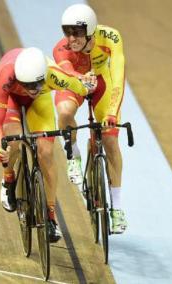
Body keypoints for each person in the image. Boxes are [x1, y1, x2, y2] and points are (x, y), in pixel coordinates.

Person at [0, 47, 94, 242]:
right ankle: (8, 178)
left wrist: (89, 83)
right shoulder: (6, 77)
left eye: (38, 84)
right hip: (11, 100)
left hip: (40, 105)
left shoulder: (52, 75)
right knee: (14, 140)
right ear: (19, 78)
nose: (33, 90)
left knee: (45, 153)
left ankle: (50, 217)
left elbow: (81, 87)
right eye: (28, 85)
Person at [53, 4, 127, 234]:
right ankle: (73, 154)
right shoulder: (62, 48)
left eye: (76, 32)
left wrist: (112, 113)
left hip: (103, 85)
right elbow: (65, 72)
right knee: (65, 112)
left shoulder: (111, 38)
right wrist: (80, 79)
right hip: (75, 82)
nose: (71, 38)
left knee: (110, 140)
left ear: (90, 31)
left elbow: (118, 76)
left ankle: (116, 208)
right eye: (67, 31)